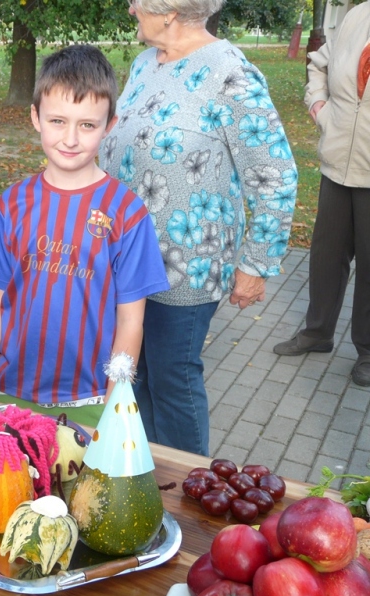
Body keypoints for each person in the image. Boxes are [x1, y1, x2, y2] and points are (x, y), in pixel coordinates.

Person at [98, 0, 297, 455]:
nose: (130, 10)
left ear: (168, 12)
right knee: (134, 374)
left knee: (171, 378)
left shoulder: (229, 74)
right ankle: (144, 476)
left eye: (137, 2)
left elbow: (276, 173)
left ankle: (189, 491)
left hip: (184, 265)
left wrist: (257, 264)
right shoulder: (145, 64)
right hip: (128, 260)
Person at [0, 45, 169, 428]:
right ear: (35, 117)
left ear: (109, 126)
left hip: (90, 400)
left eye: (87, 125)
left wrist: (116, 407)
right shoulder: (11, 203)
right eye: (57, 121)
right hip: (9, 394)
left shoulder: (127, 212)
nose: (70, 138)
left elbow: (131, 321)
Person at [273, 3, 370, 387]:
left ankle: (368, 351)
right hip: (337, 161)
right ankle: (318, 332)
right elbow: (319, 62)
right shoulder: (357, 15)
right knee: (326, 255)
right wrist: (318, 105)